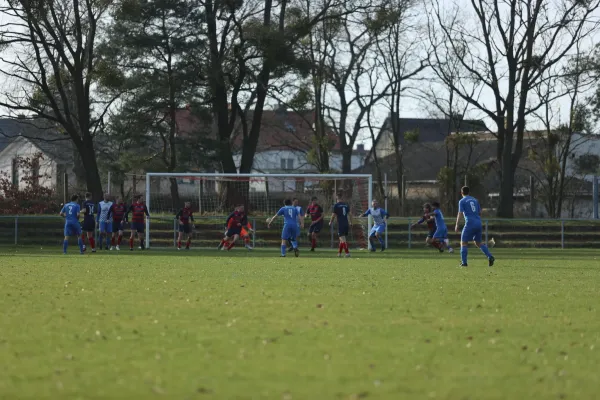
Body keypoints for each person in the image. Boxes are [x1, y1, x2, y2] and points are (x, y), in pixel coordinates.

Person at [455, 186, 495, 267]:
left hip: (470, 223)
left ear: (461, 193)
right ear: (469, 192)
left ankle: (464, 263)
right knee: (478, 243)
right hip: (478, 222)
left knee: (463, 243)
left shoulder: (462, 201)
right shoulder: (475, 200)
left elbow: (460, 213)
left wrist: (457, 224)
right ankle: (490, 256)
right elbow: (480, 212)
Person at [329, 192, 352, 257]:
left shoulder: (336, 205)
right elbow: (350, 214)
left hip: (341, 224)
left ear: (337, 198)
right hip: (346, 224)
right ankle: (339, 253)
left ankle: (347, 253)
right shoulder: (346, 205)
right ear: (342, 198)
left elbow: (333, 215)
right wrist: (351, 222)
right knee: (341, 239)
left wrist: (330, 222)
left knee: (343, 239)